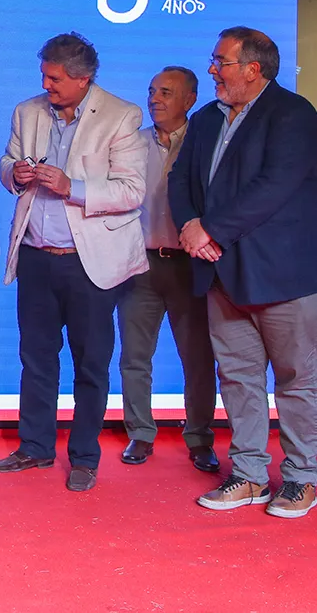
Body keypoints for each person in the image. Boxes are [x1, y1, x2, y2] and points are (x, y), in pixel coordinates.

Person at [170, 27, 317, 518]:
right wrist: (191, 227)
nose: (212, 69)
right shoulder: (206, 118)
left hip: (282, 276)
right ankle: (250, 474)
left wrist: (209, 230)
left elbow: (274, 186)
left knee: (297, 380)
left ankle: (303, 477)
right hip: (220, 272)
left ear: (253, 69)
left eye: (221, 61)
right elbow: (180, 179)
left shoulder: (293, 113)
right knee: (237, 378)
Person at [0, 33, 146, 493]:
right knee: (35, 358)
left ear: (84, 79)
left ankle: (84, 457)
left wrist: (71, 187)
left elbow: (132, 191)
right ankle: (35, 446)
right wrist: (14, 173)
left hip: (89, 263)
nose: (46, 85)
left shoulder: (121, 115)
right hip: (36, 257)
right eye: (44, 75)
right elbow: (6, 162)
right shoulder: (27, 111)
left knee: (91, 363)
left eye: (55, 78)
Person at [118, 67, 218, 472]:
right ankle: (140, 433)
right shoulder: (131, 143)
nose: (154, 99)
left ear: (190, 100)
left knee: (197, 358)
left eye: (165, 92)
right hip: (139, 264)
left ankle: (200, 438)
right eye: (151, 91)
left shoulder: (205, 144)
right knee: (134, 356)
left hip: (188, 266)